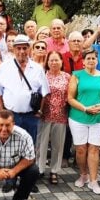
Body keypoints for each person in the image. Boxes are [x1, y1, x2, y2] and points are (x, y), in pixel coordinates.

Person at [67, 49, 100, 194]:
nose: (91, 61)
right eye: (88, 58)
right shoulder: (76, 75)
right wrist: (85, 109)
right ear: (83, 61)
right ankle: (83, 175)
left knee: (94, 149)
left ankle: (94, 181)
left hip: (98, 118)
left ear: (97, 60)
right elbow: (70, 98)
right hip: (78, 117)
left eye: (93, 58)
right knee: (81, 149)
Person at [0, 34, 49, 143]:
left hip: (31, 116)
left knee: (30, 146)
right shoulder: (4, 67)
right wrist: (2, 111)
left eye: (24, 48)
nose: (22, 51)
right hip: (11, 116)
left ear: (29, 49)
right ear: (13, 49)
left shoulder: (38, 69)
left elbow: (44, 92)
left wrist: (40, 111)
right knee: (10, 145)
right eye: (18, 48)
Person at [37, 51, 70, 184]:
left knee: (58, 144)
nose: (54, 63)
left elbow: (71, 94)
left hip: (61, 114)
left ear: (62, 62)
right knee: (41, 144)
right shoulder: (42, 76)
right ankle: (39, 169)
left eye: (57, 60)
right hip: (44, 114)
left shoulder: (68, 77)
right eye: (51, 60)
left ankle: (54, 170)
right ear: (47, 62)